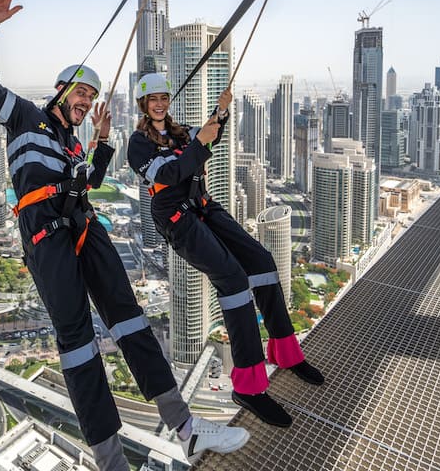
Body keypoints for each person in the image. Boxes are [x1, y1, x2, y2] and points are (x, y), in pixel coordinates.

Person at [0, 0, 249, 470]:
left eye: (92, 96)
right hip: (46, 237)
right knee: (77, 343)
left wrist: (98, 141)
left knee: (131, 318)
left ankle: (185, 429)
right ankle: (112, 461)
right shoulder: (27, 119)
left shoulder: (75, 145)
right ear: (61, 91)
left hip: (85, 229)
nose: (87, 100)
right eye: (81, 92)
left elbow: (92, 181)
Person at [127, 73, 325, 428]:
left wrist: (221, 113)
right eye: (151, 99)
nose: (159, 104)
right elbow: (171, 175)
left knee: (262, 262)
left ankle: (285, 352)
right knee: (232, 280)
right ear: (143, 104)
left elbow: (206, 137)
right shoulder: (138, 144)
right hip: (175, 217)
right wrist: (200, 142)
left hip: (202, 205)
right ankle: (247, 386)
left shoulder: (181, 131)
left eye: (162, 97)